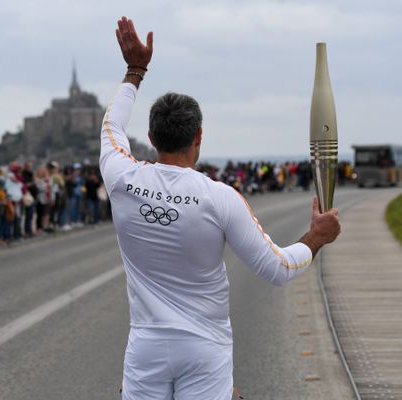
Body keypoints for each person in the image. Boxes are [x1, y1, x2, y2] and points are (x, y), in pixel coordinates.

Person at [103, 17, 341, 400]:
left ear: (150, 138)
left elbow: (111, 126)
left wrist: (135, 70)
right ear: (198, 137)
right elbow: (278, 268)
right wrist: (317, 237)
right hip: (205, 348)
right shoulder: (220, 197)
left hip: (146, 348)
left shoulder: (120, 176)